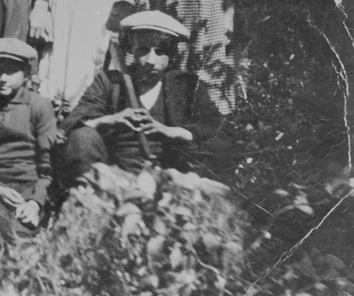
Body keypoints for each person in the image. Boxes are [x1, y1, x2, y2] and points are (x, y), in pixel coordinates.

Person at [61, 11, 230, 183]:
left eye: (160, 51)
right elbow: (70, 127)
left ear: (172, 54)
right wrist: (109, 120)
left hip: (169, 179)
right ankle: (88, 200)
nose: (150, 60)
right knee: (82, 138)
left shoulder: (187, 85)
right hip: (111, 178)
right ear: (131, 49)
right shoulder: (110, 82)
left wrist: (172, 132)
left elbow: (219, 131)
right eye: (143, 50)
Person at [0, 38, 56, 241]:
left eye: (10, 71)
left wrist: (35, 202)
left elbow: (47, 166)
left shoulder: (38, 106)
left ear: (26, 73)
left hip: (28, 189)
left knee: (22, 235)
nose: (2, 78)